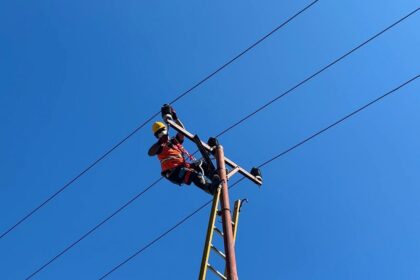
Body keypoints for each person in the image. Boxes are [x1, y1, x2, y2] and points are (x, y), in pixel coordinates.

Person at [148, 107, 219, 195]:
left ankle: (216, 176)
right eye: (158, 133)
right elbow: (150, 153)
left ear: (166, 130)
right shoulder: (160, 146)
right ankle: (210, 189)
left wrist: (175, 118)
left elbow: (182, 131)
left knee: (202, 165)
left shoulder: (175, 141)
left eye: (162, 130)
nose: (161, 133)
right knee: (194, 175)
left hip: (184, 166)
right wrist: (160, 142)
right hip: (174, 172)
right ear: (156, 136)